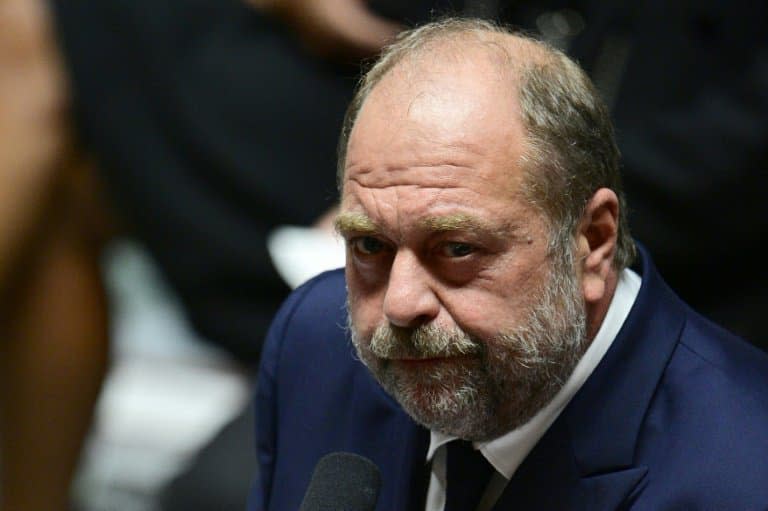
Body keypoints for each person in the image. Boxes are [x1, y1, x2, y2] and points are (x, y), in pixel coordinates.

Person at [250, 18, 768, 511]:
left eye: (456, 249)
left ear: (593, 240)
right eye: (370, 247)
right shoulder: (315, 346)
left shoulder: (744, 473)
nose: (401, 305)